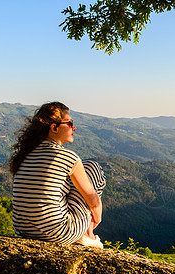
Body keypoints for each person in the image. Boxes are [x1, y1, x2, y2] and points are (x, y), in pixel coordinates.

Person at [9, 102, 105, 248]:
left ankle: (85, 232)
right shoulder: (68, 157)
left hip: (23, 230)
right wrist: (96, 217)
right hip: (60, 232)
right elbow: (93, 199)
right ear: (54, 128)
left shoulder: (24, 155)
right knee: (92, 167)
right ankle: (88, 235)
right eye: (70, 123)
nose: (74, 127)